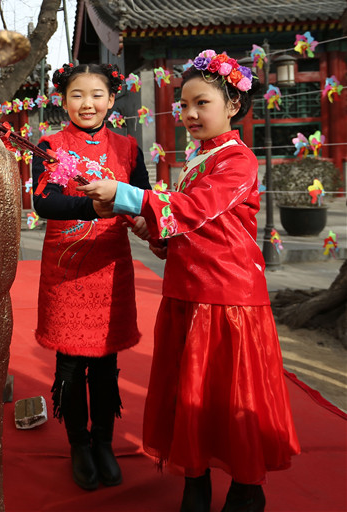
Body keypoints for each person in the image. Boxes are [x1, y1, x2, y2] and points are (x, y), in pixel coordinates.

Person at [78, 50, 300, 512]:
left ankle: (245, 488)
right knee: (190, 394)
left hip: (228, 298)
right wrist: (144, 226)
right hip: (187, 291)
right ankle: (195, 480)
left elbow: (194, 209)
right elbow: (185, 226)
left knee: (229, 396)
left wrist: (125, 194)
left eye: (202, 103)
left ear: (233, 106)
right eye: (184, 105)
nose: (191, 114)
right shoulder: (199, 158)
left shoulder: (237, 161)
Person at [32, 62, 151, 491]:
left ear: (112, 99)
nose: (87, 103)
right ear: (63, 100)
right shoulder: (48, 144)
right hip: (66, 268)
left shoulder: (128, 149)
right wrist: (92, 208)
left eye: (97, 94)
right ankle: (78, 445)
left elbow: (145, 201)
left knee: (106, 364)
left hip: (111, 266)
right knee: (70, 365)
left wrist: (145, 224)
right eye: (77, 94)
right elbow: (43, 203)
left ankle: (104, 441)